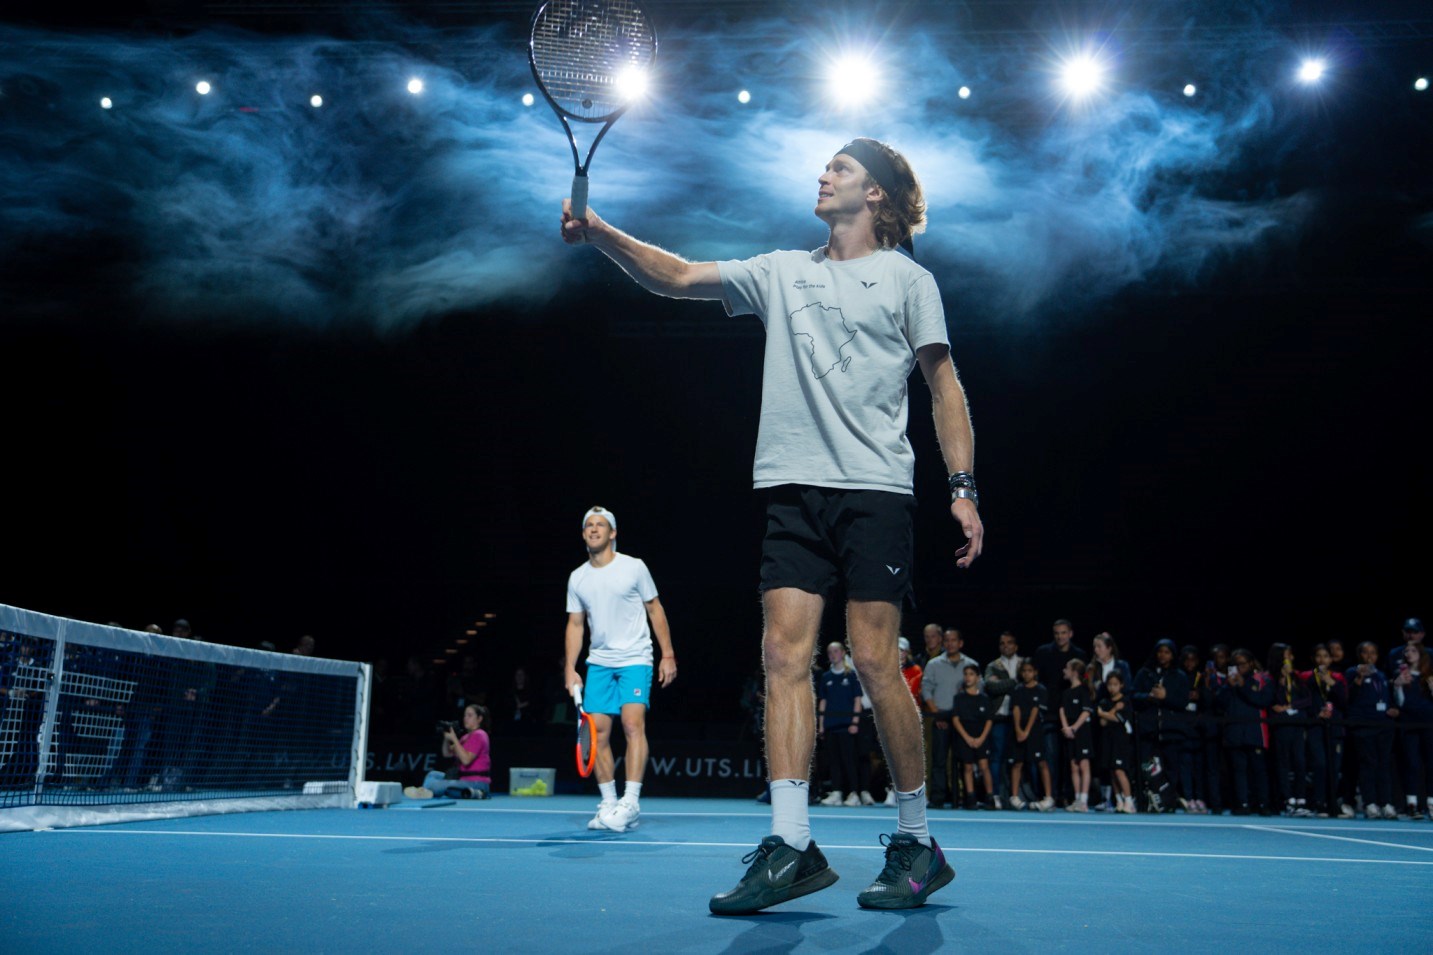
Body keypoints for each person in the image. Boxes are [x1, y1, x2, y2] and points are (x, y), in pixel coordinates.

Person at [562, 137, 982, 913]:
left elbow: (942, 384)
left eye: (842, 169)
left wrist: (961, 484)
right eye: (826, 166)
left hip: (874, 491)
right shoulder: (783, 270)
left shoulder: (908, 281)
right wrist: (600, 233)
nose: (824, 175)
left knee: (871, 659)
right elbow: (681, 275)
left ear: (877, 196)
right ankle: (790, 844)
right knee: (781, 654)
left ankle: (916, 838)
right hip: (792, 490)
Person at [565, 506, 677, 833]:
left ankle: (630, 802)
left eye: (601, 525)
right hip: (598, 662)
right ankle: (609, 802)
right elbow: (575, 625)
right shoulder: (578, 577)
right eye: (589, 525)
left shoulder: (634, 567)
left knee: (631, 723)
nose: (594, 529)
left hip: (635, 657)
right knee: (596, 732)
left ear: (612, 533)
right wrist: (570, 668)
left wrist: (667, 654)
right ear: (584, 533)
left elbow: (655, 609)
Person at [922, 628, 982, 810]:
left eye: (953, 640)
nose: (950, 644)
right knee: (938, 760)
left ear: (960, 643)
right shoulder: (934, 664)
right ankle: (938, 798)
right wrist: (936, 713)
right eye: (947, 640)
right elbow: (926, 689)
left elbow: (980, 688)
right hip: (940, 716)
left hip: (964, 720)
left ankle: (964, 797)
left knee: (965, 760)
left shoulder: (971, 664)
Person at [1034, 619, 1087, 804]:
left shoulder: (1079, 655)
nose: (1060, 636)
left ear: (1070, 633)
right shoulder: (1043, 653)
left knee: (1071, 759)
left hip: (1073, 717)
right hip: (1050, 714)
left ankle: (1069, 796)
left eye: (1063, 632)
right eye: (1057, 633)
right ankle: (1052, 795)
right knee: (1050, 757)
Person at [1346, 641, 1397, 819]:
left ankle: (1386, 803)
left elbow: (1386, 698)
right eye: (1365, 652)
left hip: (1383, 726)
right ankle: (1370, 803)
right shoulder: (1353, 672)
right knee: (1368, 765)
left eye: (1373, 652)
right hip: (1363, 727)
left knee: (1384, 765)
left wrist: (1392, 708)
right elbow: (1347, 697)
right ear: (1359, 654)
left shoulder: (1381, 675)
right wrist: (1359, 679)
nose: (1369, 656)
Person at [1300, 643, 1348, 817]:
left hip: (1335, 727)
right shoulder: (1306, 677)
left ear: (1331, 659)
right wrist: (1315, 713)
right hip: (1315, 726)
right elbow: (1303, 700)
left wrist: (1332, 683)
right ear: (1314, 658)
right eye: (1319, 656)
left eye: (1326, 656)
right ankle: (1319, 802)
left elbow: (1344, 702)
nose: (1322, 660)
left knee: (1334, 767)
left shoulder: (1338, 677)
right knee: (1320, 765)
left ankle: (1332, 803)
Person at [405, 704, 492, 799]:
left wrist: (454, 739)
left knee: (439, 785)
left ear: (479, 719)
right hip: (462, 779)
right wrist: (446, 738)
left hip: (477, 782)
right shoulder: (465, 737)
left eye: (470, 715)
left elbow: (466, 760)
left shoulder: (479, 734)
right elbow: (446, 753)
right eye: (465, 715)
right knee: (432, 775)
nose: (465, 718)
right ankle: (470, 793)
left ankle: (427, 791)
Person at [1266, 643, 1313, 816]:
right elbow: (1272, 701)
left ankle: (1301, 799)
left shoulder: (1297, 678)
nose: (1291, 658)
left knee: (1300, 763)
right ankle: (1287, 800)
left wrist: (1290, 705)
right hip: (1281, 727)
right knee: (1283, 764)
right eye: (1287, 655)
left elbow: (1308, 700)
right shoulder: (1270, 678)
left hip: (1297, 727)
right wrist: (1280, 682)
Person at [817, 642, 866, 807]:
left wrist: (855, 721)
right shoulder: (826, 677)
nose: (833, 654)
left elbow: (857, 700)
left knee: (849, 760)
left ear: (843, 653)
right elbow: (823, 701)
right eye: (829, 652)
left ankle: (853, 794)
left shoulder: (851, 675)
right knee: (834, 761)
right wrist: (821, 725)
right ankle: (837, 792)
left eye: (836, 651)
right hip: (830, 725)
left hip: (847, 726)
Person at [1392, 642, 1433, 819]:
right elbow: (1400, 703)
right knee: (1411, 763)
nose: (1409, 653)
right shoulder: (1401, 675)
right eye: (1406, 651)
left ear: (1421, 654)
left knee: (1431, 765)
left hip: (1429, 723)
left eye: (1413, 650)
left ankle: (1431, 804)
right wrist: (1397, 685)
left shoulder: (1429, 676)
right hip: (1408, 724)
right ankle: (1412, 804)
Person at [1008, 659, 1055, 811]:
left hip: (1035, 732)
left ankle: (1048, 797)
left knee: (1041, 762)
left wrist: (1026, 731)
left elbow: (1036, 710)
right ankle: (1014, 797)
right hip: (1019, 731)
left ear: (1035, 672)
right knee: (1017, 763)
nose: (1026, 674)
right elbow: (1015, 709)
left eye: (1029, 671)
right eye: (1024, 671)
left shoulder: (1041, 689)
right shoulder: (1017, 689)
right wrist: (1018, 730)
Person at [982, 630, 1023, 804]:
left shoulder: (1023, 664)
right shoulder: (994, 665)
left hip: (1020, 719)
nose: (1006, 646)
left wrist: (1002, 684)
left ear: (1016, 645)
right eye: (1002, 643)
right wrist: (1014, 682)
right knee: (997, 757)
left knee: (1019, 760)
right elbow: (991, 687)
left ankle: (1016, 796)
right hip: (999, 717)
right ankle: (996, 795)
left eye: (1009, 642)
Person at [952, 663, 996, 809]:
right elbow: (956, 719)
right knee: (968, 767)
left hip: (981, 736)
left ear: (977, 677)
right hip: (965, 737)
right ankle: (970, 798)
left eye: (971, 674)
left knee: (984, 766)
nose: (968, 677)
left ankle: (990, 798)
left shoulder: (984, 698)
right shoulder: (959, 698)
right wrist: (968, 738)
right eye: (966, 674)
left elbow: (989, 720)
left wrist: (981, 738)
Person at [1095, 670, 1137, 812]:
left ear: (1121, 685)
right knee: (1112, 771)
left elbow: (1118, 719)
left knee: (1119, 771)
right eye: (1110, 684)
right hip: (1108, 740)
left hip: (1121, 741)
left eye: (1115, 684)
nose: (1112, 687)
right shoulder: (1105, 702)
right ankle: (1119, 801)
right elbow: (1102, 723)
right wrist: (1110, 711)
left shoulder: (1125, 701)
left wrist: (1105, 714)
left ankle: (1129, 801)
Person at [1060, 659, 1095, 811]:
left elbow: (1086, 711)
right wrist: (1066, 727)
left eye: (1066, 668)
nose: (1064, 670)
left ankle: (1084, 800)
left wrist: (1074, 728)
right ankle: (1077, 799)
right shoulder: (1066, 692)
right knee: (1073, 766)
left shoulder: (1083, 691)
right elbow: (1061, 710)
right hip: (1069, 733)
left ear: (1074, 672)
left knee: (1084, 765)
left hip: (1082, 732)